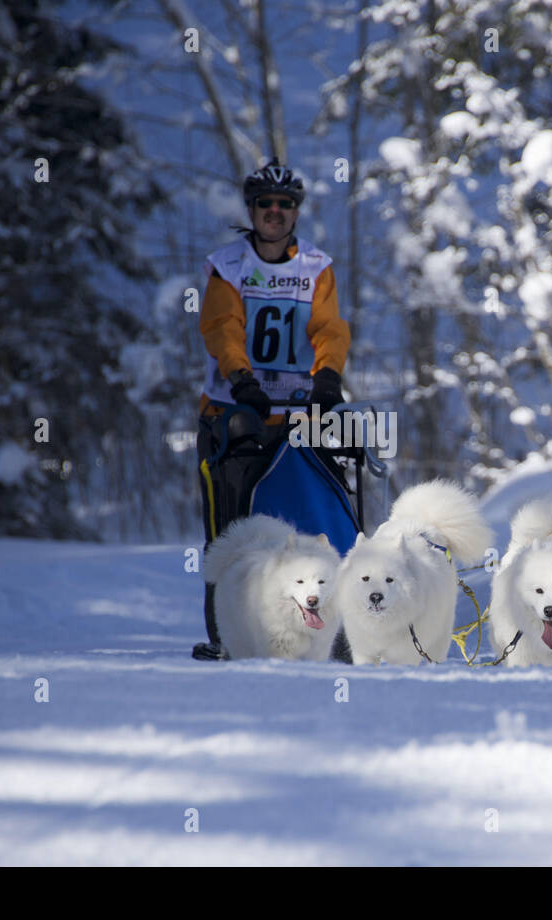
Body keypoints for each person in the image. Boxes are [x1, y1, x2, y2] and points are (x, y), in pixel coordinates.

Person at [192, 156, 352, 660]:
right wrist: (242, 379)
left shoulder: (316, 268)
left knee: (311, 515)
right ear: (252, 209)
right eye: (266, 204)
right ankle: (226, 635)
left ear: (296, 212)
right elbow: (222, 327)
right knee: (233, 530)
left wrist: (327, 377)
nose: (275, 213)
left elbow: (328, 328)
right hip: (233, 414)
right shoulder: (229, 265)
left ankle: (332, 628)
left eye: (286, 205)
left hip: (298, 413)